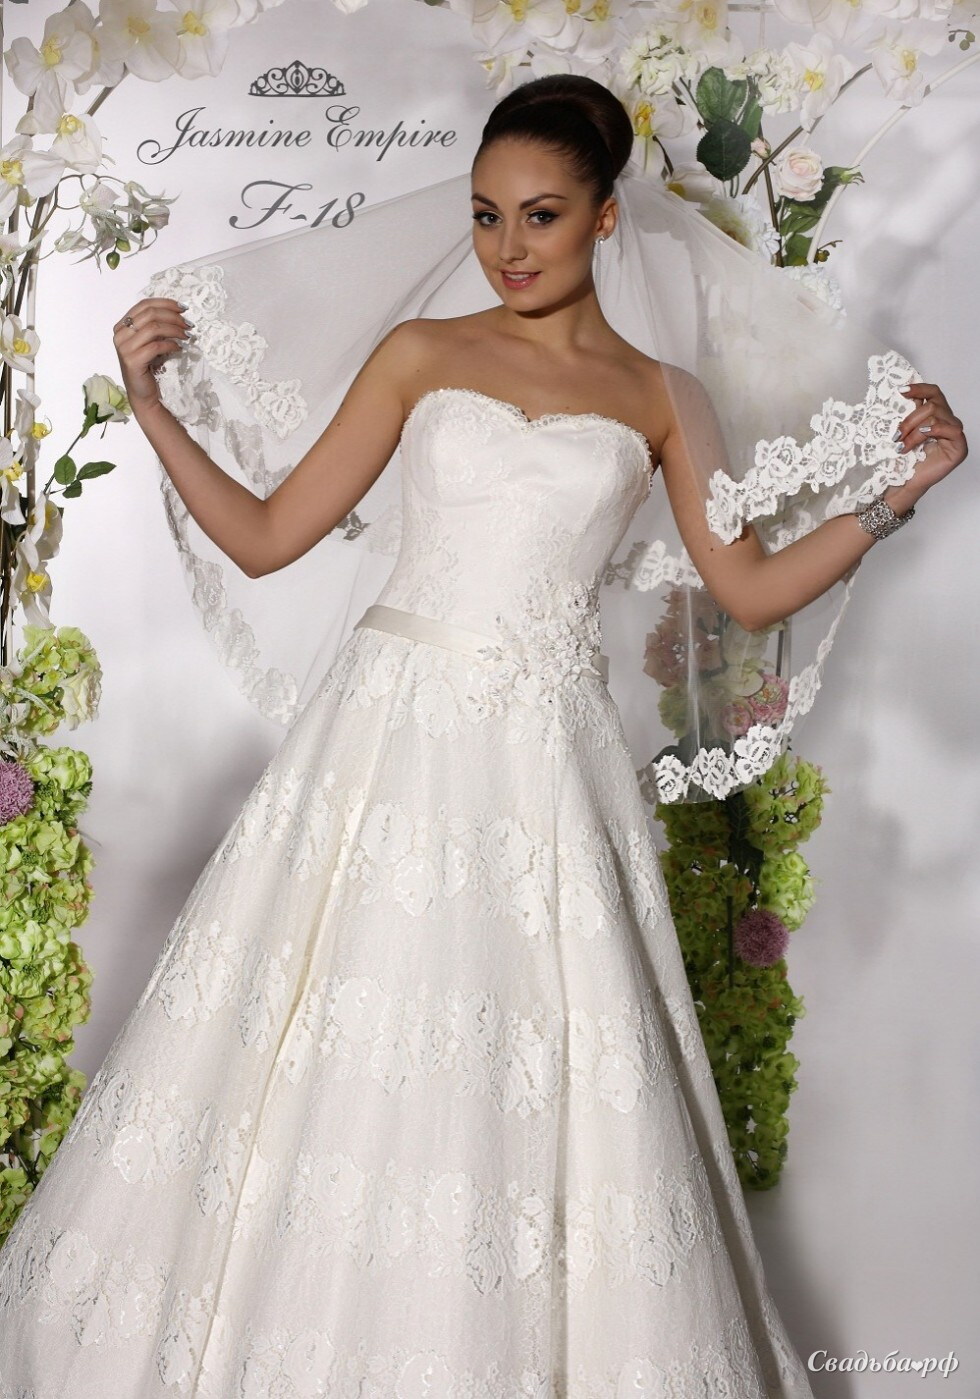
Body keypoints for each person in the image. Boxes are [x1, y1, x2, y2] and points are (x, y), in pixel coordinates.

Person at [0, 74, 966, 1397]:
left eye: (542, 215)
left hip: (544, 772)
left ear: (607, 218)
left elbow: (745, 590)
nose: (510, 247)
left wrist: (899, 495)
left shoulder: (662, 396)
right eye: (486, 214)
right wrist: (151, 408)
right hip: (382, 742)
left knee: (525, 1077)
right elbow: (270, 539)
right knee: (323, 1049)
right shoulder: (422, 355)